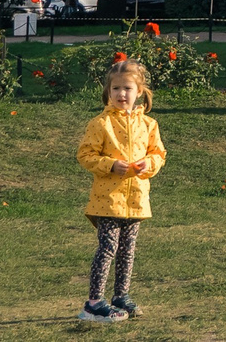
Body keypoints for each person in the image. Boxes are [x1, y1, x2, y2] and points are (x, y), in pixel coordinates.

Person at [75, 58, 166, 324]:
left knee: (128, 249)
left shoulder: (149, 125)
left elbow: (158, 155)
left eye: (127, 88)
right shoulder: (100, 124)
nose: (121, 94)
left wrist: (147, 164)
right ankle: (93, 303)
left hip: (136, 199)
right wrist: (110, 165)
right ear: (108, 92)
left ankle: (120, 297)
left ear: (139, 92)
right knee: (108, 248)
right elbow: (85, 155)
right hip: (108, 200)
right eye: (116, 89)